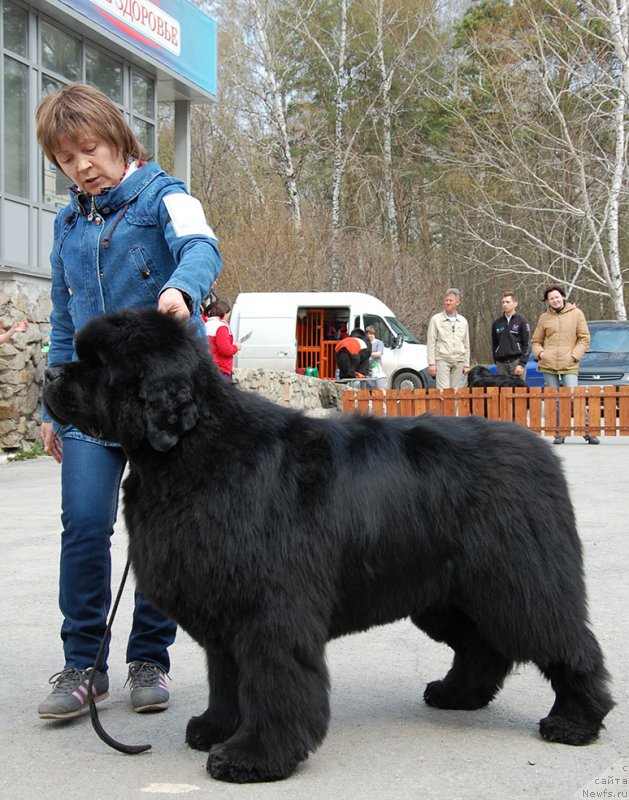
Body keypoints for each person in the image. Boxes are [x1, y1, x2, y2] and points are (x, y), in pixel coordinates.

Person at [35, 82, 222, 721]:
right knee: (85, 525)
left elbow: (203, 248)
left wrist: (182, 289)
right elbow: (63, 320)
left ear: (118, 138)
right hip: (92, 406)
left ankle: (151, 659)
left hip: (161, 403)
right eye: (65, 158)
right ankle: (84, 664)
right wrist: (52, 408)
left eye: (90, 148)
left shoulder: (165, 196)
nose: (82, 166)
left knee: (164, 533)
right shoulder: (66, 224)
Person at [530, 285, 598, 445]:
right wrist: (541, 353)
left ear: (562, 296)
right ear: (548, 301)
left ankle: (588, 432)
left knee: (575, 396)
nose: (555, 300)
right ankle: (559, 432)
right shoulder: (544, 317)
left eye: (557, 297)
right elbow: (535, 341)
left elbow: (584, 339)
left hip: (569, 363)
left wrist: (575, 355)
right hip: (548, 364)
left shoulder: (577, 314)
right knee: (555, 399)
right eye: (551, 298)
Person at [427, 288, 470, 389]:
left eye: (451, 300)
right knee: (443, 392)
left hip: (459, 360)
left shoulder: (463, 321)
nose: (448, 303)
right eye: (446, 300)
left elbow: (466, 343)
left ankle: (455, 406)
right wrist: (431, 363)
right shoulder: (436, 319)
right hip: (442, 359)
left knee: (455, 392)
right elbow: (431, 342)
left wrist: (466, 364)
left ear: (457, 302)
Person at [491, 292, 530, 381]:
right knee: (503, 393)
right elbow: (494, 343)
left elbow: (526, 344)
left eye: (508, 302)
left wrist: (522, 364)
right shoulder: (497, 323)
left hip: (516, 363)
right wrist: (496, 360)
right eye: (503, 302)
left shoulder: (522, 321)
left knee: (518, 393)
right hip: (501, 364)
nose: (505, 304)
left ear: (515, 304)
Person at [205, 299, 241, 378]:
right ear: (224, 313)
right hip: (221, 367)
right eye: (228, 314)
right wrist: (236, 347)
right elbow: (225, 350)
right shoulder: (221, 327)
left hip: (208, 365)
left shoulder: (205, 325)